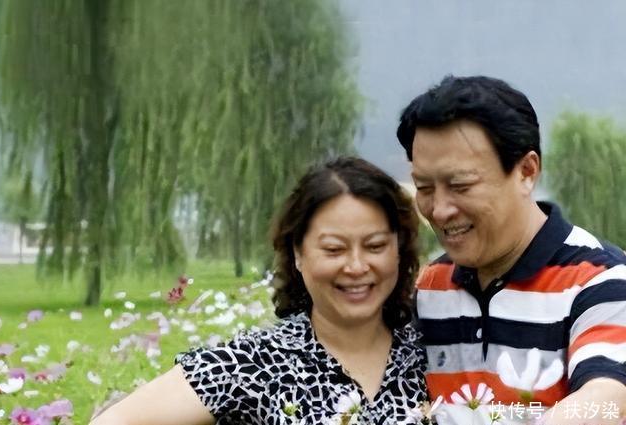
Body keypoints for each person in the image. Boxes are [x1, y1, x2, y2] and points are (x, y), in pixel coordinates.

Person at [89, 157, 428, 425]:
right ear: (298, 253)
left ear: (399, 249)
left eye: (375, 246)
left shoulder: (432, 351)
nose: (356, 266)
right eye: (334, 249)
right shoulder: (254, 364)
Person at [396, 75, 626, 424]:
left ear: (526, 172)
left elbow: (608, 398)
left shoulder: (601, 280)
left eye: (460, 186)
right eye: (424, 188)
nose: (439, 211)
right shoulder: (430, 288)